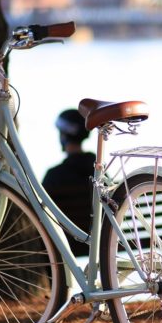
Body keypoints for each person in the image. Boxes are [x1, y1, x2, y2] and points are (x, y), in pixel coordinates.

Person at [42, 109, 95, 257]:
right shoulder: (99, 175)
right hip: (97, 241)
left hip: (61, 244)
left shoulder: (54, 176)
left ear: (63, 136)